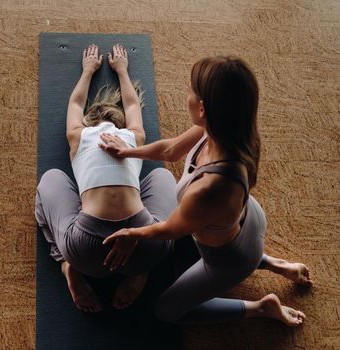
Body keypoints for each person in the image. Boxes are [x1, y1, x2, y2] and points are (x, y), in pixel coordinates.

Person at [100, 55, 313, 326]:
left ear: (202, 108)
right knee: (197, 243)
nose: (186, 94)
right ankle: (276, 264)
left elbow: (171, 230)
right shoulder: (225, 129)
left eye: (190, 90)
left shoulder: (208, 190)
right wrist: (127, 151)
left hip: (227, 258)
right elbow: (171, 150)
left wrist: (132, 234)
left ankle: (261, 307)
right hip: (244, 220)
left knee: (166, 311)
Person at [35, 44, 177, 312]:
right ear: (120, 124)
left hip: (85, 254)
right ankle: (139, 273)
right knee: (162, 175)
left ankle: (67, 267)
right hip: (145, 245)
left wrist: (87, 71)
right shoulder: (134, 138)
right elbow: (134, 103)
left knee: (51, 179)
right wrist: (122, 71)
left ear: (91, 121)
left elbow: (75, 102)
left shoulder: (78, 135)